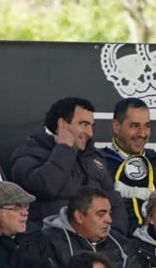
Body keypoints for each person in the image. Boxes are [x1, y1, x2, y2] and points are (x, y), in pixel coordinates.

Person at [9, 96, 128, 234]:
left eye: (91, 126)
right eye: (84, 124)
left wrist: (115, 236)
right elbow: (45, 187)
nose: (90, 133)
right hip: (52, 243)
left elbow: (113, 199)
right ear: (62, 124)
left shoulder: (93, 155)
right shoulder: (28, 153)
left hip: (96, 242)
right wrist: (65, 147)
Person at [29, 187, 132, 268]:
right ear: (79, 216)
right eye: (101, 213)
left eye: (109, 213)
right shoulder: (49, 241)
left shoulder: (120, 243)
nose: (109, 220)